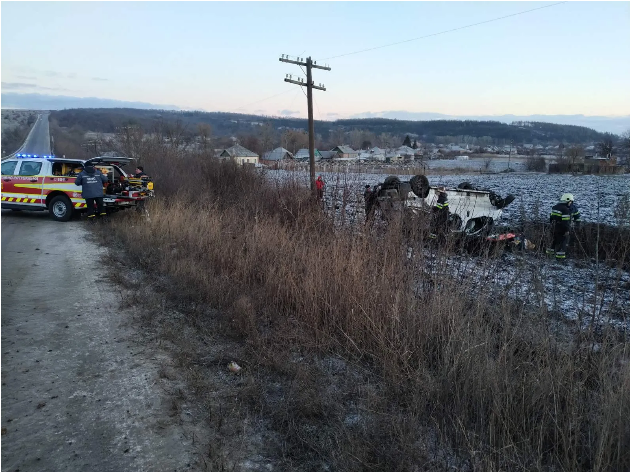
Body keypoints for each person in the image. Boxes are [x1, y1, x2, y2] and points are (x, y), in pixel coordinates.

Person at [546, 193, 581, 261]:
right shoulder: (566, 210)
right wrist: (567, 230)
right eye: (571, 201)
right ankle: (560, 259)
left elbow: (551, 218)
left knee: (552, 242)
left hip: (553, 227)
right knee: (562, 243)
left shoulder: (555, 207)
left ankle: (549, 256)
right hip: (562, 229)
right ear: (568, 201)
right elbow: (565, 222)